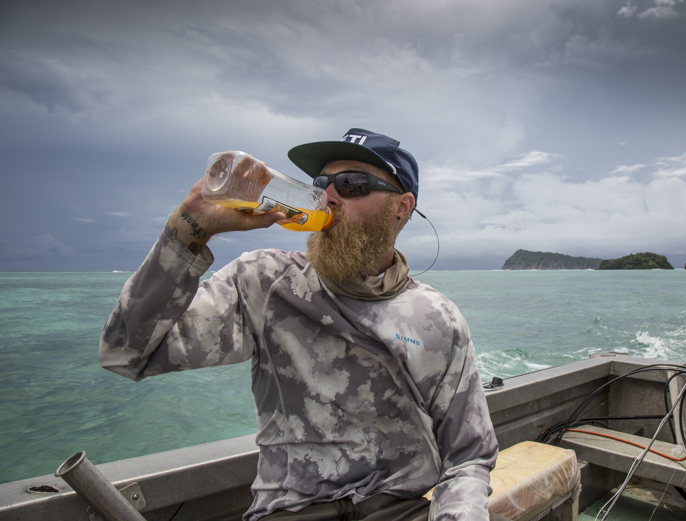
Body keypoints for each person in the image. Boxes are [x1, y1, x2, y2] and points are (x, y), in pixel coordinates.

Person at [99, 128, 502, 521]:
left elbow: (469, 455)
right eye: (321, 182)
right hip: (292, 510)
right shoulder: (265, 282)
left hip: (397, 508)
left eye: (352, 184)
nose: (328, 196)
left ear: (402, 206)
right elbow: (127, 354)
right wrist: (189, 229)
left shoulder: (437, 317)